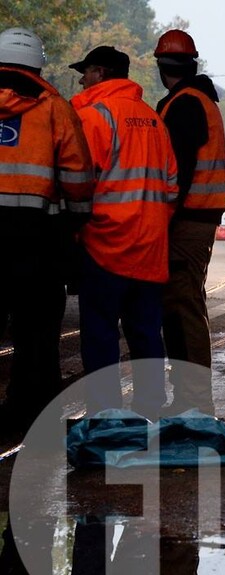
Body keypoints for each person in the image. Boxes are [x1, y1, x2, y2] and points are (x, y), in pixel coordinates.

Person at [69, 46, 178, 419]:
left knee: (100, 334)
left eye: (85, 72)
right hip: (149, 247)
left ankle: (105, 415)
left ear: (99, 72)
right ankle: (149, 410)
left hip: (105, 245)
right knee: (146, 332)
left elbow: (79, 182)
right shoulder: (153, 120)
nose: (82, 80)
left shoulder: (92, 117)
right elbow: (172, 187)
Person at [0, 28, 94, 437]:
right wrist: (75, 220)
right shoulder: (55, 108)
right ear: (38, 62)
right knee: (36, 334)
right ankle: (31, 419)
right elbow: (77, 177)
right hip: (36, 242)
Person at [154, 29, 225, 416]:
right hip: (198, 216)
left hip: (187, 219)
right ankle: (189, 399)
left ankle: (194, 403)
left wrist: (162, 219)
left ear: (161, 66)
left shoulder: (184, 105)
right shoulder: (197, 100)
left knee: (184, 308)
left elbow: (177, 171)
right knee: (182, 305)